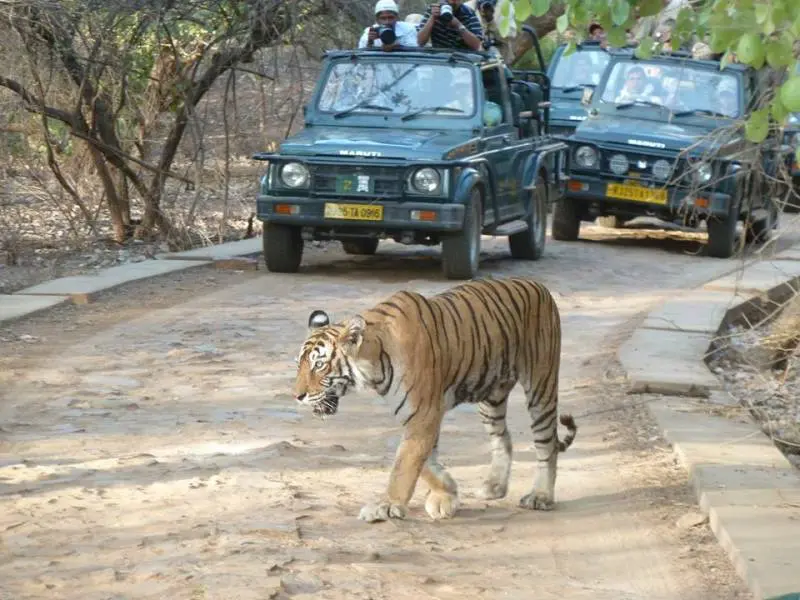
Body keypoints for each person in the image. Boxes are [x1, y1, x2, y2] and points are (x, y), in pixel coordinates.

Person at [416, 1, 484, 51]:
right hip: (439, 56)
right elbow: (420, 42)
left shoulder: (468, 13)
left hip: (463, 58)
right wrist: (432, 18)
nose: (452, 2)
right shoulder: (433, 9)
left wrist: (458, 25)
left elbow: (477, 45)